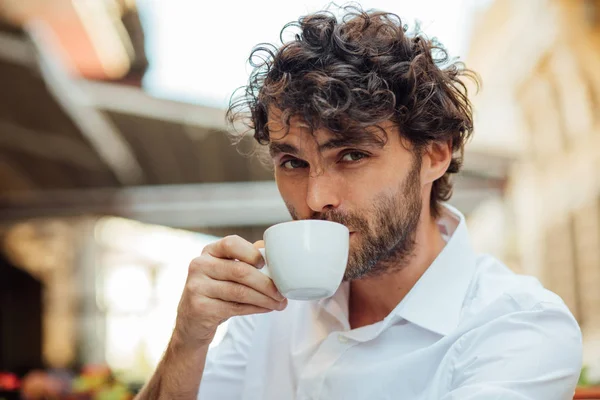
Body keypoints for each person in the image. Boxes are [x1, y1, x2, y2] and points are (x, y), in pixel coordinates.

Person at [135, 6, 582, 400]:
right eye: (292, 162)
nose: (315, 198)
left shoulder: (518, 328)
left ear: (435, 154)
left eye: (352, 155)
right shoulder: (266, 312)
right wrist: (187, 341)